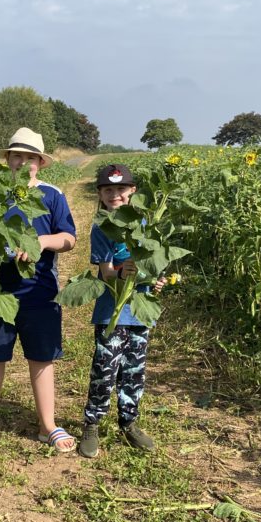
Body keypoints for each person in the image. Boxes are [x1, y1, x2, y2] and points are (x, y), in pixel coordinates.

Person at [0, 127, 78, 452]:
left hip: (40, 291)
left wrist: (39, 241)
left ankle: (47, 424)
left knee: (42, 357)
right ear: (7, 159)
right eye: (16, 156)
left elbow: (68, 238)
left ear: (40, 162)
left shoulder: (51, 195)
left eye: (30, 157)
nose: (23, 162)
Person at [79, 163, 165, 459]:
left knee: (134, 370)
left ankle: (129, 422)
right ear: (100, 194)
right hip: (111, 311)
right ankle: (92, 423)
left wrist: (157, 280)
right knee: (105, 369)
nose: (115, 194)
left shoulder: (146, 225)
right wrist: (121, 270)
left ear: (133, 192)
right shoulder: (102, 226)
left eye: (121, 189)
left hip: (140, 312)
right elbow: (105, 272)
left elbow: (153, 264)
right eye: (108, 189)